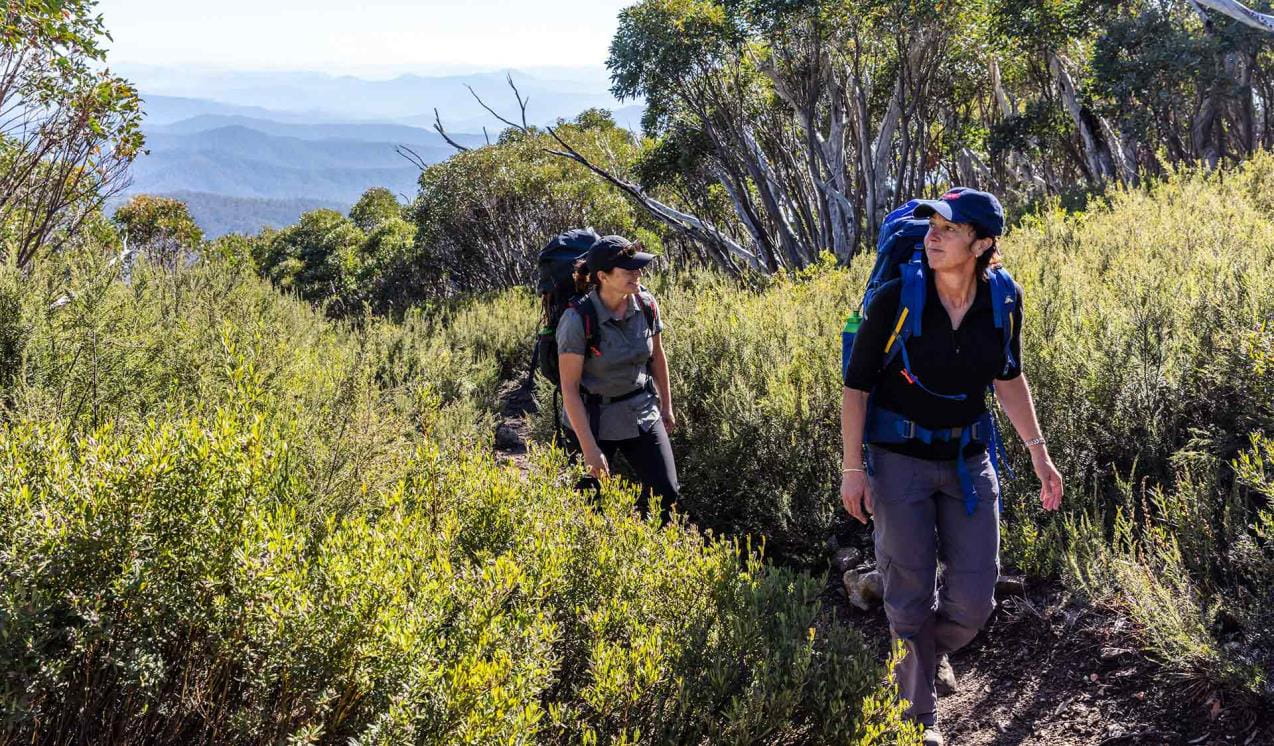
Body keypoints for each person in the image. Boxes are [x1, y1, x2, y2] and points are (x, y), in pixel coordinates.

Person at [839, 189, 1064, 746]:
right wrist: (852, 469)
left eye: (948, 227)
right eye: (931, 224)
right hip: (898, 465)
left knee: (973, 602)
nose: (933, 235)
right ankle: (919, 720)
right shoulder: (898, 297)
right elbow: (856, 386)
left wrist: (1039, 453)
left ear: (982, 244)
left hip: (968, 461)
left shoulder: (1002, 301)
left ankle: (913, 643)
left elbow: (1008, 377)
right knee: (911, 594)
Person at [556, 234, 681, 523]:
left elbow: (657, 357)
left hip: (641, 410)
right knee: (589, 506)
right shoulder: (577, 320)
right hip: (593, 419)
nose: (637, 275)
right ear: (603, 276)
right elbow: (570, 389)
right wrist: (589, 449)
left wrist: (666, 407)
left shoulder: (646, 304)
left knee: (666, 492)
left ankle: (651, 554)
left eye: (638, 268)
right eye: (628, 271)